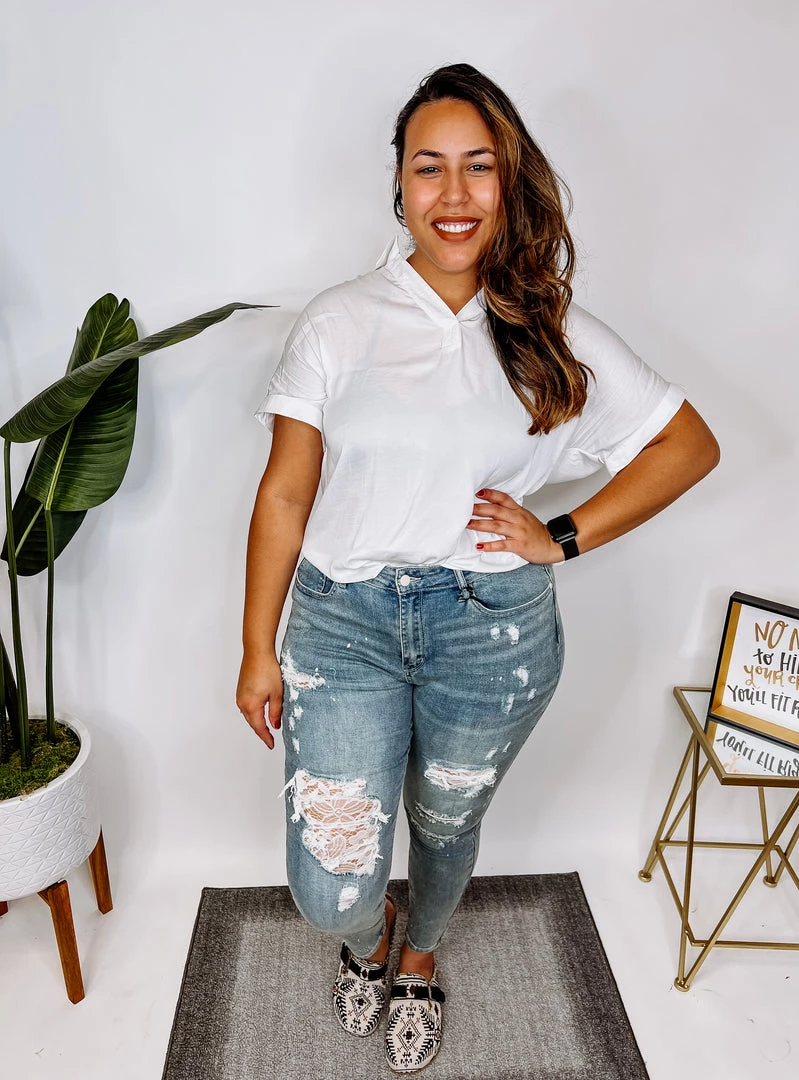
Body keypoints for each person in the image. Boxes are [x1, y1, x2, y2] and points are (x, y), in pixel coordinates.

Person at [236, 63, 719, 1074]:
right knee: (329, 882)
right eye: (429, 168)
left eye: (478, 167)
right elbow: (284, 494)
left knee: (446, 820)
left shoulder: (554, 331)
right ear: (398, 183)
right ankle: (369, 931)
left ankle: (418, 953)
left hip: (491, 627)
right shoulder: (338, 321)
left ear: (509, 181)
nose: (453, 194)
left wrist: (561, 535)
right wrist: (256, 648)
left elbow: (687, 445)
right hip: (343, 621)